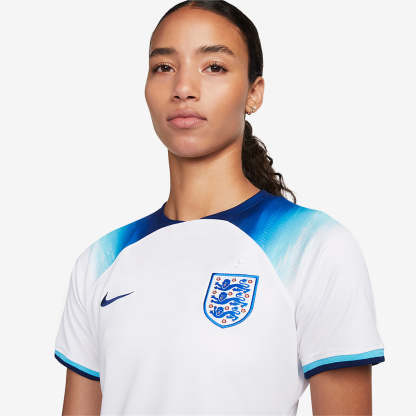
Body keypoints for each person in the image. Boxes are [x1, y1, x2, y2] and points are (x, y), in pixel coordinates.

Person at [54, 1, 385, 414]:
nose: (183, 87)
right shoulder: (100, 261)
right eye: (164, 67)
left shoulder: (315, 247)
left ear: (253, 93)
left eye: (214, 67)